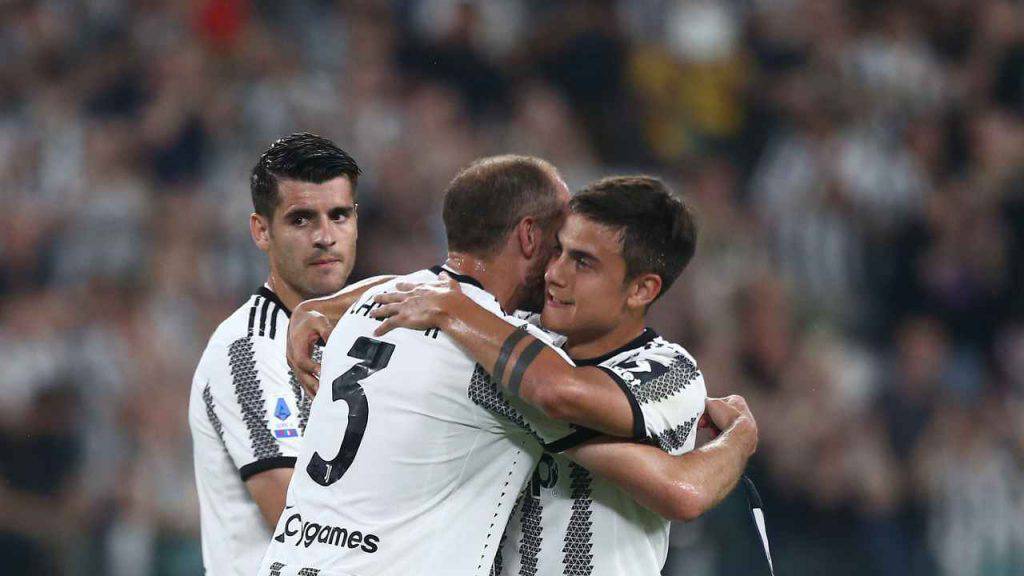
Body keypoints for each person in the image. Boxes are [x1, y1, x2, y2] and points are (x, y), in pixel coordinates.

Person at [261, 156, 756, 576]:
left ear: (642, 289)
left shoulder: (666, 371)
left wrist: (740, 437)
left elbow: (681, 492)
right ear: (529, 238)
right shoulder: (501, 351)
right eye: (557, 249)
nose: (557, 272)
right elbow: (551, 387)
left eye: (582, 262)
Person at [188, 133, 388, 576]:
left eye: (339, 215)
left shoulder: (369, 332)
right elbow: (292, 515)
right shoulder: (248, 348)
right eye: (301, 220)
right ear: (262, 231)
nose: (325, 237)